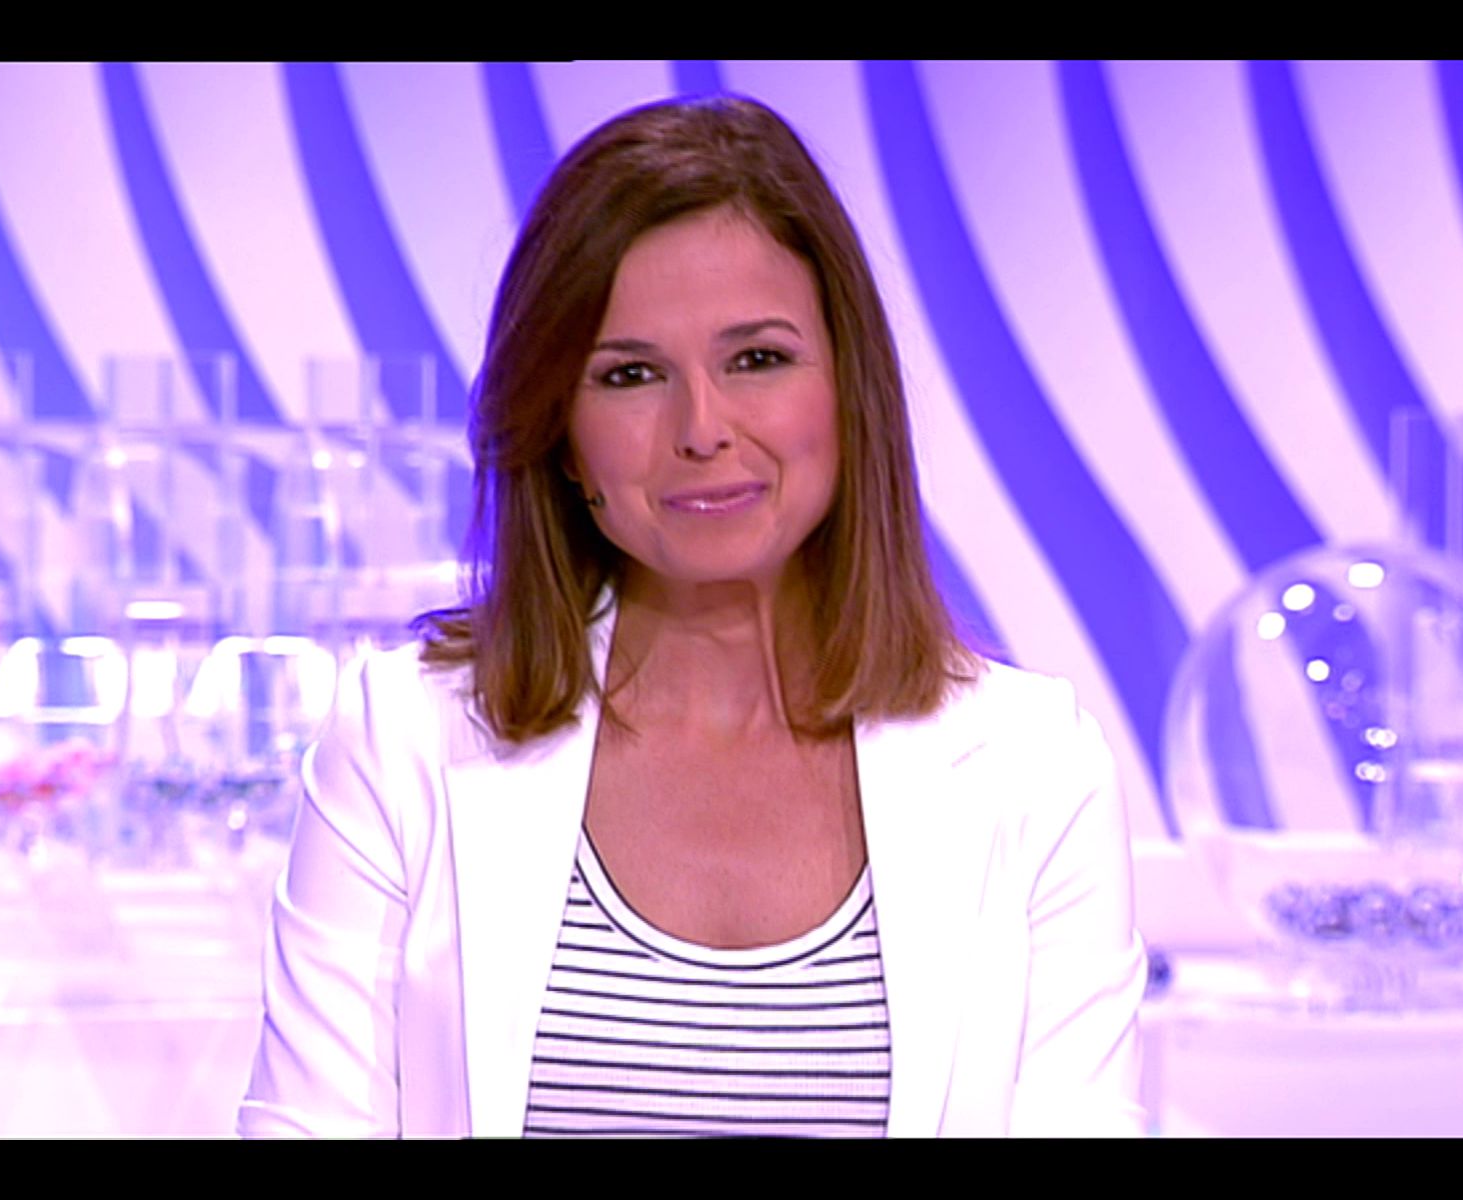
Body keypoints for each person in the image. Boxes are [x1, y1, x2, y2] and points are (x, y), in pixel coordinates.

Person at [237, 94, 1147, 1138]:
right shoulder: (403, 735)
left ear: (849, 389)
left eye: (757, 359)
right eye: (630, 376)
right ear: (559, 431)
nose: (702, 429)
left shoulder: (1035, 766)